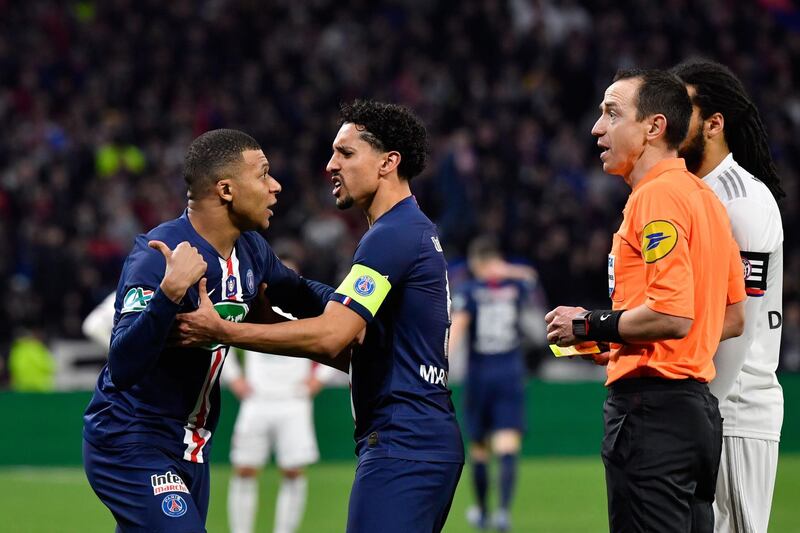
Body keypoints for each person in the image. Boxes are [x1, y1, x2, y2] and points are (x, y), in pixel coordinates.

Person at [174, 100, 465, 533]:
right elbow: (358, 350)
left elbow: (333, 335)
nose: (331, 164)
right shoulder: (408, 232)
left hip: (404, 442)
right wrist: (276, 311)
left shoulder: (391, 236)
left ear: (389, 162)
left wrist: (224, 330)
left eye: (346, 153)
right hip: (420, 439)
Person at [82, 129, 333, 532]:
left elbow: (302, 294)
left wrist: (365, 306)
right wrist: (167, 294)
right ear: (226, 190)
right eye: (264, 175)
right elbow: (123, 365)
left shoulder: (251, 250)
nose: (275, 186)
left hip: (192, 445)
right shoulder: (160, 255)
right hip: (131, 439)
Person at [544, 69, 746, 532]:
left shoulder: (654, 197)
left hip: (649, 415)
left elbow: (673, 315)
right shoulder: (705, 199)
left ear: (654, 127)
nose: (597, 128)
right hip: (695, 417)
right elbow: (730, 317)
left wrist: (588, 325)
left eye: (612, 113)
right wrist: (621, 341)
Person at [672, 59, 785, 533]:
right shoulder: (691, 193)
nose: (670, 121)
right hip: (704, 406)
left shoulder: (741, 202)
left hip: (734, 409)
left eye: (684, 110)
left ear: (715, 124)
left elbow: (740, 322)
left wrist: (702, 412)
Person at [224, 253, 337, 533]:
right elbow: (221, 335)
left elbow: (336, 336)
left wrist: (319, 379)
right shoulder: (252, 303)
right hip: (257, 400)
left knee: (294, 472)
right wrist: (234, 379)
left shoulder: (308, 307)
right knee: (245, 469)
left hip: (294, 401)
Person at [449, 235, 541, 532]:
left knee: (479, 447)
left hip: (480, 375)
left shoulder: (469, 291)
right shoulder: (515, 287)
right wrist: (507, 270)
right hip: (510, 373)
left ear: (476, 263)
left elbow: (459, 329)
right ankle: (503, 511)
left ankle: (482, 510)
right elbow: (531, 277)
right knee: (507, 443)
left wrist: (443, 362)